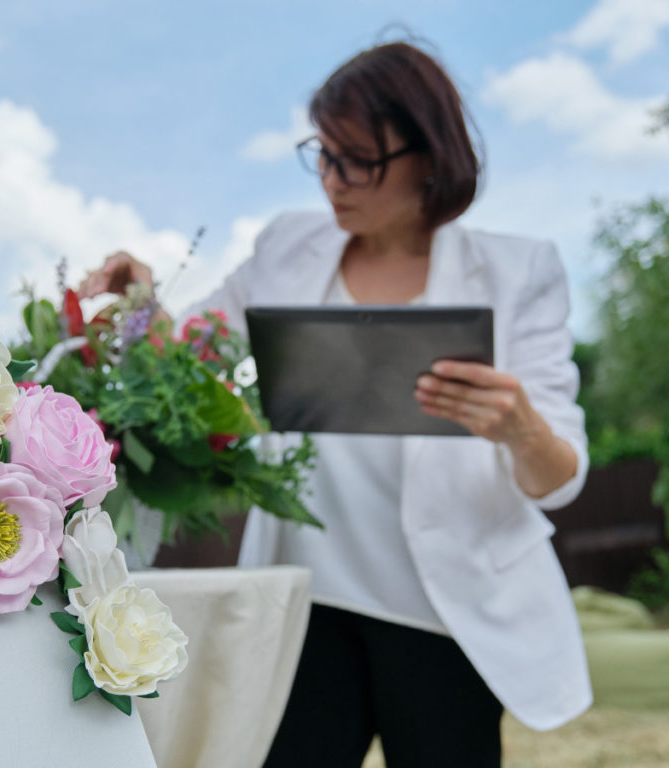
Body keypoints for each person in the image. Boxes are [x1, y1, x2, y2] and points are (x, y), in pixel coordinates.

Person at [79, 41, 590, 767]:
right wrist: (142, 300)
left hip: (447, 617)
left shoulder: (517, 270)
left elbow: (560, 477)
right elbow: (194, 351)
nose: (331, 179)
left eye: (357, 160)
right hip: (311, 604)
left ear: (430, 154)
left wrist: (520, 428)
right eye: (322, 153)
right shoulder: (290, 244)